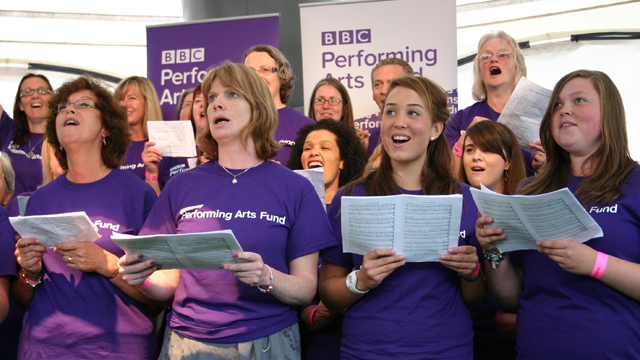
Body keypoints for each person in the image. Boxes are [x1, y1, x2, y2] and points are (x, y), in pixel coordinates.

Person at [118, 62, 336, 359]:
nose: (216, 103)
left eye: (231, 95)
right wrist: (141, 277)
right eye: (211, 98)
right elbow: (168, 284)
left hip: (268, 341)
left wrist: (266, 276)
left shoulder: (294, 188)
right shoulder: (181, 185)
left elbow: (305, 289)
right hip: (188, 343)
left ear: (258, 108)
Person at [477, 70, 640, 359]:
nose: (564, 109)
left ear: (610, 114)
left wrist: (594, 263)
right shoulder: (530, 190)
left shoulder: (634, 182)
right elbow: (511, 298)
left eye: (579, 100)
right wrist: (494, 253)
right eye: (557, 104)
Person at [319, 75, 484, 359]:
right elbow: (328, 291)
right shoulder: (352, 197)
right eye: (390, 111)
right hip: (367, 350)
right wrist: (360, 281)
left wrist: (472, 273)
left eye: (413, 113)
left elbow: (475, 298)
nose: (399, 121)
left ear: (435, 128)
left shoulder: (467, 200)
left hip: (445, 349)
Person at [12, 75, 158, 359]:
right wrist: (28, 273)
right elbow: (22, 297)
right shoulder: (42, 198)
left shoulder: (137, 194)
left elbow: (160, 295)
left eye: (82, 104)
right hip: (43, 345)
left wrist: (107, 265)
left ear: (106, 127)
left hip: (117, 348)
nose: (69, 110)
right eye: (63, 107)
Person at [287, 119, 368, 359]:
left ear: (343, 161)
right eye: (307, 147)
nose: (314, 152)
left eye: (325, 147)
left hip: (356, 327)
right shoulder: (287, 210)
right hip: (302, 333)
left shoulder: (359, 205)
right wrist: (308, 312)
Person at [460, 120, 526, 360]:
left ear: (508, 161)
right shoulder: (452, 205)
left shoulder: (524, 210)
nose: (476, 157)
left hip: (508, 339)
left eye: (487, 150)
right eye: (470, 150)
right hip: (458, 333)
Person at [446, 31, 543, 177]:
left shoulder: (541, 116)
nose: (494, 60)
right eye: (486, 57)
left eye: (503, 55)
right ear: (479, 69)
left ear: (517, 65)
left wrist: (546, 167)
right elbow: (446, 175)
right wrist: (465, 139)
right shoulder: (460, 120)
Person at [115, 76, 190, 195]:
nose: (124, 104)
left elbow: (169, 204)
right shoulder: (111, 146)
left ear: (147, 102)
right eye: (120, 99)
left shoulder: (165, 144)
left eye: (132, 98)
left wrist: (151, 173)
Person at [243, 44, 314, 164]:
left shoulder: (307, 126)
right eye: (249, 72)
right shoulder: (231, 124)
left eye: (265, 70)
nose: (256, 77)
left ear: (282, 76)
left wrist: (282, 174)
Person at [0, 74, 52, 199]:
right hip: (6, 215)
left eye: (42, 91)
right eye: (27, 92)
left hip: (41, 215)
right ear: (20, 105)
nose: (35, 95)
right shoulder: (8, 129)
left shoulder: (62, 139)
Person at [355, 58, 414, 154]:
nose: (384, 91)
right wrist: (363, 153)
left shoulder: (430, 133)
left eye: (392, 83)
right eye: (378, 84)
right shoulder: (370, 141)